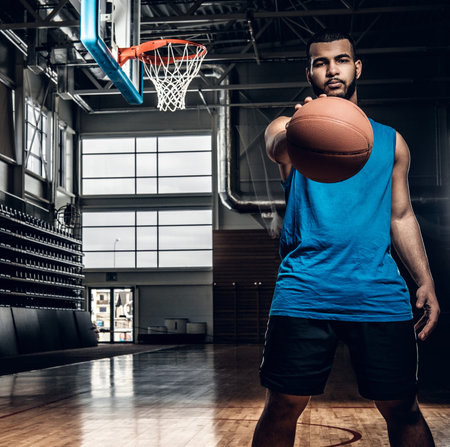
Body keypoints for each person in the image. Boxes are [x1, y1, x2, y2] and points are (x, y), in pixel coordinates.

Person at [252, 30, 440, 447]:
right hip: (305, 289)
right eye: (320, 63)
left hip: (377, 292)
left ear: (357, 68)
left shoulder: (391, 141)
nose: (331, 69)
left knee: (403, 408)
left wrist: (424, 279)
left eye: (340, 60)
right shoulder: (288, 127)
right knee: (282, 404)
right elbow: (277, 148)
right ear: (310, 72)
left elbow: (401, 214)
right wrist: (299, 131)